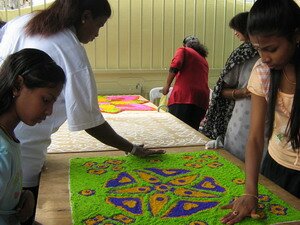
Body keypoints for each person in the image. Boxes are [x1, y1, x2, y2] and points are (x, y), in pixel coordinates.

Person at [0, 0, 165, 224]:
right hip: (25, 154)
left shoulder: (24, 23)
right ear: (85, 16)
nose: (97, 34)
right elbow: (90, 120)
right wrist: (132, 148)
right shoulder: (69, 49)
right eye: (99, 26)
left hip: (17, 145)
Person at [221, 0, 300, 224]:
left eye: (271, 49)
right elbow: (255, 137)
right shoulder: (263, 72)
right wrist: (250, 192)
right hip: (275, 166)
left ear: (296, 35)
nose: (264, 57)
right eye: (258, 49)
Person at [0, 48, 66, 225]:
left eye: (53, 102)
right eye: (45, 99)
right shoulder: (2, 151)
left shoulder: (8, 136)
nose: (49, 111)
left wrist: (22, 194)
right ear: (17, 86)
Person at [202, 12, 262, 161]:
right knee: (238, 160)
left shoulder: (262, 56)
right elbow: (222, 90)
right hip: (243, 115)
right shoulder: (242, 54)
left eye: (237, 29)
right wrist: (242, 92)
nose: (235, 33)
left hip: (256, 118)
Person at [162, 35, 210, 130]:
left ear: (184, 45)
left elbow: (175, 65)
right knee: (192, 131)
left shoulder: (183, 50)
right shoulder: (203, 60)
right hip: (201, 99)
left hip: (184, 97)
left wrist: (167, 85)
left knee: (177, 129)